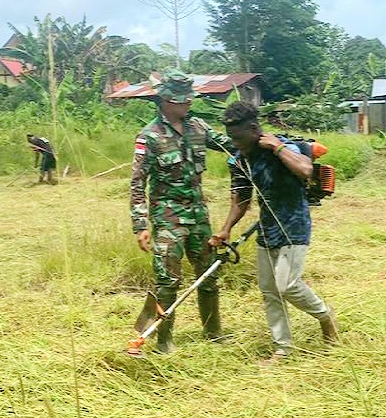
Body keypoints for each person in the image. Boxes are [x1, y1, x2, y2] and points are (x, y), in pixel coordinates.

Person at [208, 102, 339, 364]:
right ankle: (283, 348)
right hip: (268, 228)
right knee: (269, 290)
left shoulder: (280, 146)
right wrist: (225, 230)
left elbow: (305, 169)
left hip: (294, 225)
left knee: (287, 285)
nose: (235, 142)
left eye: (239, 137)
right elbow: (241, 200)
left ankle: (325, 316)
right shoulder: (240, 159)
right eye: (231, 138)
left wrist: (277, 148)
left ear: (254, 128)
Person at [129, 70, 234, 354]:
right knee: (167, 280)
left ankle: (213, 332)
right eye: (181, 101)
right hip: (168, 218)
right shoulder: (149, 136)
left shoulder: (198, 126)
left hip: (199, 215)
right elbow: (138, 182)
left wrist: (262, 142)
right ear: (165, 100)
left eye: (189, 99)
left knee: (209, 275)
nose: (187, 105)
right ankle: (164, 341)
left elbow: (230, 144)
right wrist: (141, 225)